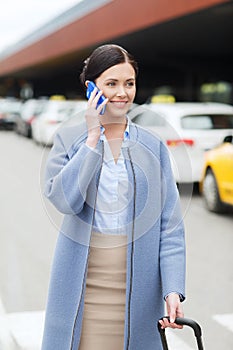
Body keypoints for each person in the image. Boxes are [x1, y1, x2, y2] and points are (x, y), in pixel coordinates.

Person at [41, 44, 186, 350]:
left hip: (139, 286)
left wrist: (173, 288)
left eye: (129, 83)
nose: (122, 93)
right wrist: (93, 138)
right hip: (83, 283)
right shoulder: (70, 138)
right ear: (91, 87)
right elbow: (64, 200)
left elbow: (169, 225)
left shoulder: (153, 145)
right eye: (111, 83)